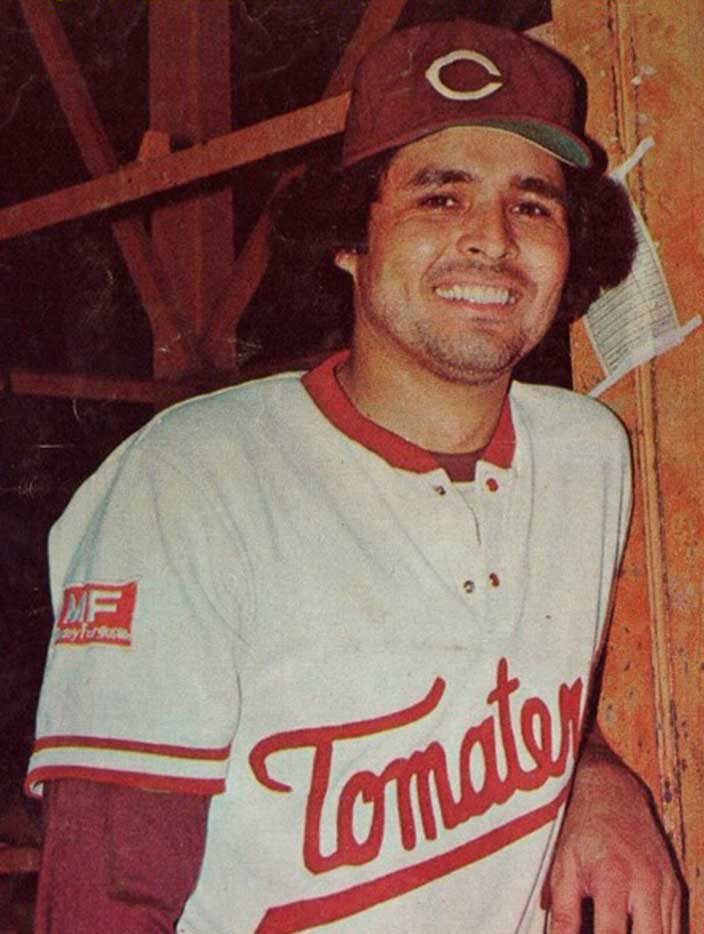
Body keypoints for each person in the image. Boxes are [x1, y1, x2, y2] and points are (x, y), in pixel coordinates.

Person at [27, 19, 681, 933]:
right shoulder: (189, 480)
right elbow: (103, 895)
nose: (491, 240)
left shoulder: (590, 455)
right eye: (439, 197)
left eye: (533, 206)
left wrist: (594, 772)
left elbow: (518, 666)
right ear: (348, 237)